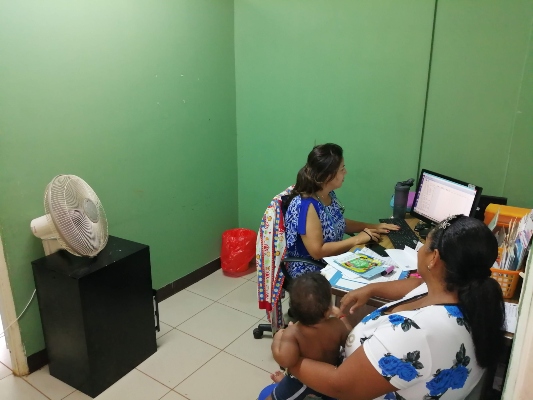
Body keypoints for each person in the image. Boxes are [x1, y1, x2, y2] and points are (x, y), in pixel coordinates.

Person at [273, 215, 506, 400]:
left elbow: (340, 385)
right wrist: (372, 289)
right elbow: (416, 284)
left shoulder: (415, 333)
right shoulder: (461, 291)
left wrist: (293, 363)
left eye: (424, 244)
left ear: (434, 258)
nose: (419, 250)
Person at [283, 143, 399, 278]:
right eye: (342, 169)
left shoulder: (327, 193)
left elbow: (338, 222)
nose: (345, 172)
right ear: (328, 176)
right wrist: (357, 239)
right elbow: (317, 252)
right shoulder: (306, 206)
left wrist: (373, 226)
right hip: (309, 271)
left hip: (331, 259)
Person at [268, 273, 349, 400]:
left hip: (304, 382)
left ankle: (284, 383)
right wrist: (341, 316)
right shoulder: (337, 324)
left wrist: (277, 338)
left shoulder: (293, 332)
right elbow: (350, 341)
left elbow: (285, 361)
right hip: (332, 377)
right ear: (328, 310)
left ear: (293, 310)